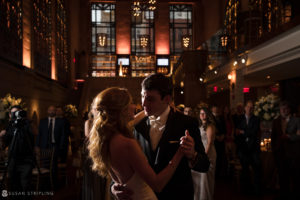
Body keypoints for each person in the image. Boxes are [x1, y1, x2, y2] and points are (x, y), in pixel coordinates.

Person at [112, 74, 210, 200]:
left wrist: (192, 155)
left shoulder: (187, 123)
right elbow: (124, 162)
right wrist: (114, 186)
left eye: (150, 99)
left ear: (167, 99)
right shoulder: (137, 125)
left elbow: (205, 165)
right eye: (142, 96)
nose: (143, 103)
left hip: (178, 195)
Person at [88, 87, 184, 200]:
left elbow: (118, 178)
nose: (135, 106)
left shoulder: (106, 139)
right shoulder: (127, 144)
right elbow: (157, 184)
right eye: (131, 103)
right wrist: (180, 152)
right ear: (122, 110)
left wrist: (114, 187)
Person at [0, 105, 34, 199]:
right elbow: (4, 145)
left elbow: (31, 138)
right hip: (13, 161)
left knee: (25, 186)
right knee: (14, 186)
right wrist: (2, 136)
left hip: (26, 161)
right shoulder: (9, 127)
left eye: (17, 113)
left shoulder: (27, 125)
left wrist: (24, 122)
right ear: (10, 115)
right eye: (13, 113)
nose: (15, 115)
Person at [271, 101, 300, 200]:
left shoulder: (296, 120)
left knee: (295, 176)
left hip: (293, 153)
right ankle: (284, 195)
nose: (283, 111)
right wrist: (274, 151)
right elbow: (273, 138)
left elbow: (298, 136)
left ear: (289, 109)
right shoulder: (276, 121)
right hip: (280, 153)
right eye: (281, 109)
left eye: (285, 108)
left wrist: (289, 137)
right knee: (283, 176)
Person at [36, 105, 69, 189]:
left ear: (55, 112)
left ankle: (53, 184)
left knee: (53, 165)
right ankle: (44, 184)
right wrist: (37, 146)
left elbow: (63, 135)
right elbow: (39, 134)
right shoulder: (42, 121)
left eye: (53, 110)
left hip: (55, 146)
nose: (51, 112)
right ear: (47, 111)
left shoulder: (60, 122)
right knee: (44, 164)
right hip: (44, 146)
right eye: (50, 110)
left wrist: (61, 147)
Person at [82, 103, 107, 200]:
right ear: (91, 111)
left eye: (98, 109)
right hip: (92, 153)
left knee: (101, 179)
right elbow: (89, 137)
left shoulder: (103, 122)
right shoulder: (88, 122)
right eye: (95, 109)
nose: (97, 111)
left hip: (102, 153)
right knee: (93, 179)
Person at [235, 100, 261, 195]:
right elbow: (236, 133)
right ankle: (246, 191)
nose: (250, 109)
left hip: (253, 149)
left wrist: (243, 132)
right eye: (248, 107)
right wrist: (244, 132)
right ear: (245, 108)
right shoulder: (239, 119)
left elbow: (254, 133)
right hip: (243, 149)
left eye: (251, 107)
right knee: (245, 171)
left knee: (256, 170)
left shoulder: (256, 119)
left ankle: (257, 191)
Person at [192, 107, 217, 200]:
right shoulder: (199, 125)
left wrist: (204, 156)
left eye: (204, 113)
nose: (202, 115)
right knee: (199, 177)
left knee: (205, 177)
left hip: (208, 152)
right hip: (201, 151)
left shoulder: (210, 126)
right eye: (201, 113)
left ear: (208, 115)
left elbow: (210, 142)